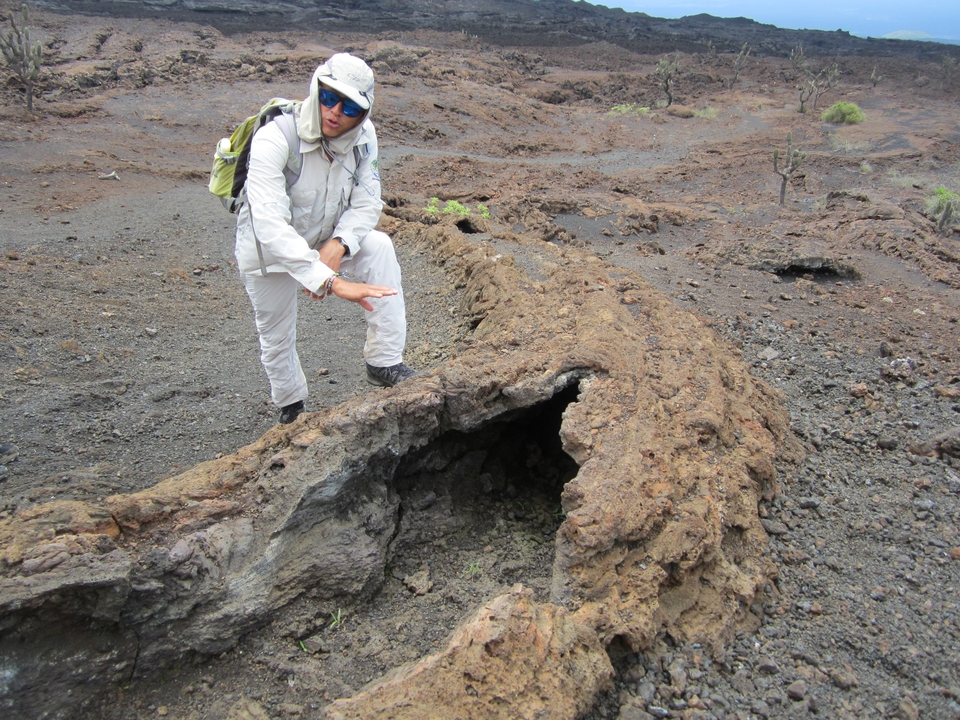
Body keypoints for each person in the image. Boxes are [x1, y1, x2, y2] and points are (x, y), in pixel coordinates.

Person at [235, 53, 416, 424]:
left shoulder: (364, 137)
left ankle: (384, 362)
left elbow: (368, 201)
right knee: (276, 333)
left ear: (363, 113)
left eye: (349, 107)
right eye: (329, 97)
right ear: (316, 89)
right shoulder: (275, 137)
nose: (335, 112)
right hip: (268, 252)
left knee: (379, 247)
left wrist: (339, 244)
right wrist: (329, 280)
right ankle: (291, 407)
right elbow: (269, 225)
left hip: (324, 239)